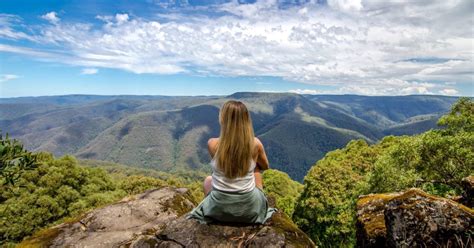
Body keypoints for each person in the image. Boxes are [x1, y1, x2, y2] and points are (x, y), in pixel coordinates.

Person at [186, 100, 276, 224]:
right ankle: (255, 204)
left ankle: (214, 209)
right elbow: (265, 166)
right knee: (255, 169)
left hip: (219, 209)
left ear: (223, 119)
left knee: (208, 180)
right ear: (246, 120)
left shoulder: (212, 144)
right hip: (249, 210)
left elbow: (225, 168)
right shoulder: (255, 143)